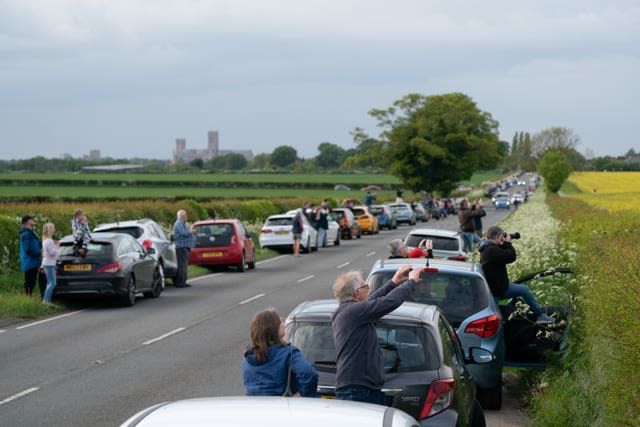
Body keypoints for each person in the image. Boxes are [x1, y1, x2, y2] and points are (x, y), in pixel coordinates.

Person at [331, 265, 420, 404]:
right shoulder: (354, 311)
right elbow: (389, 302)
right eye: (365, 287)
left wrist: (393, 282)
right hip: (358, 390)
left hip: (359, 388)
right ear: (356, 293)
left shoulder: (348, 310)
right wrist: (411, 282)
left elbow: (373, 299)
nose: (368, 290)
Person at [479, 226, 554, 324]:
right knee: (496, 320)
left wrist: (504, 243)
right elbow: (511, 257)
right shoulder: (491, 251)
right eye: (502, 236)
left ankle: (540, 315)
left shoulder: (488, 248)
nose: (503, 238)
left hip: (500, 287)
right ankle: (538, 317)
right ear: (497, 236)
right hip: (496, 291)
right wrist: (508, 243)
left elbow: (501, 253)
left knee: (524, 290)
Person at [242, 308, 318, 397]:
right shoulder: (288, 353)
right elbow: (309, 373)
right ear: (273, 328)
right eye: (281, 321)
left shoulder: (248, 356)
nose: (284, 323)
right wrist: (301, 395)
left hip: (256, 407)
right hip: (283, 408)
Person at [20, 215, 45, 296]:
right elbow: (28, 249)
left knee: (31, 281)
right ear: (26, 223)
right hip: (29, 261)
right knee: (30, 282)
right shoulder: (26, 234)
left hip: (32, 261)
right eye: (31, 220)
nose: (33, 221)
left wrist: (44, 242)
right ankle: (25, 299)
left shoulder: (30, 233)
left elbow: (36, 244)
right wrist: (39, 253)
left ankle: (26, 298)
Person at [173, 209, 196, 287]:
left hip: (185, 246)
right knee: (182, 265)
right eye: (184, 215)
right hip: (181, 247)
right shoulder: (179, 223)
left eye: (185, 215)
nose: (186, 217)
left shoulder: (183, 223)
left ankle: (183, 281)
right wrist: (191, 232)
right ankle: (180, 282)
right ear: (181, 216)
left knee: (184, 265)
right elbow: (183, 233)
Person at [41, 222, 59, 308]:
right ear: (51, 230)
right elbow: (53, 253)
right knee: (52, 283)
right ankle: (45, 300)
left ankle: (48, 301)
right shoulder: (49, 241)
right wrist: (57, 246)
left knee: (50, 283)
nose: (55, 229)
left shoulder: (45, 240)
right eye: (54, 228)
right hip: (49, 264)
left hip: (47, 264)